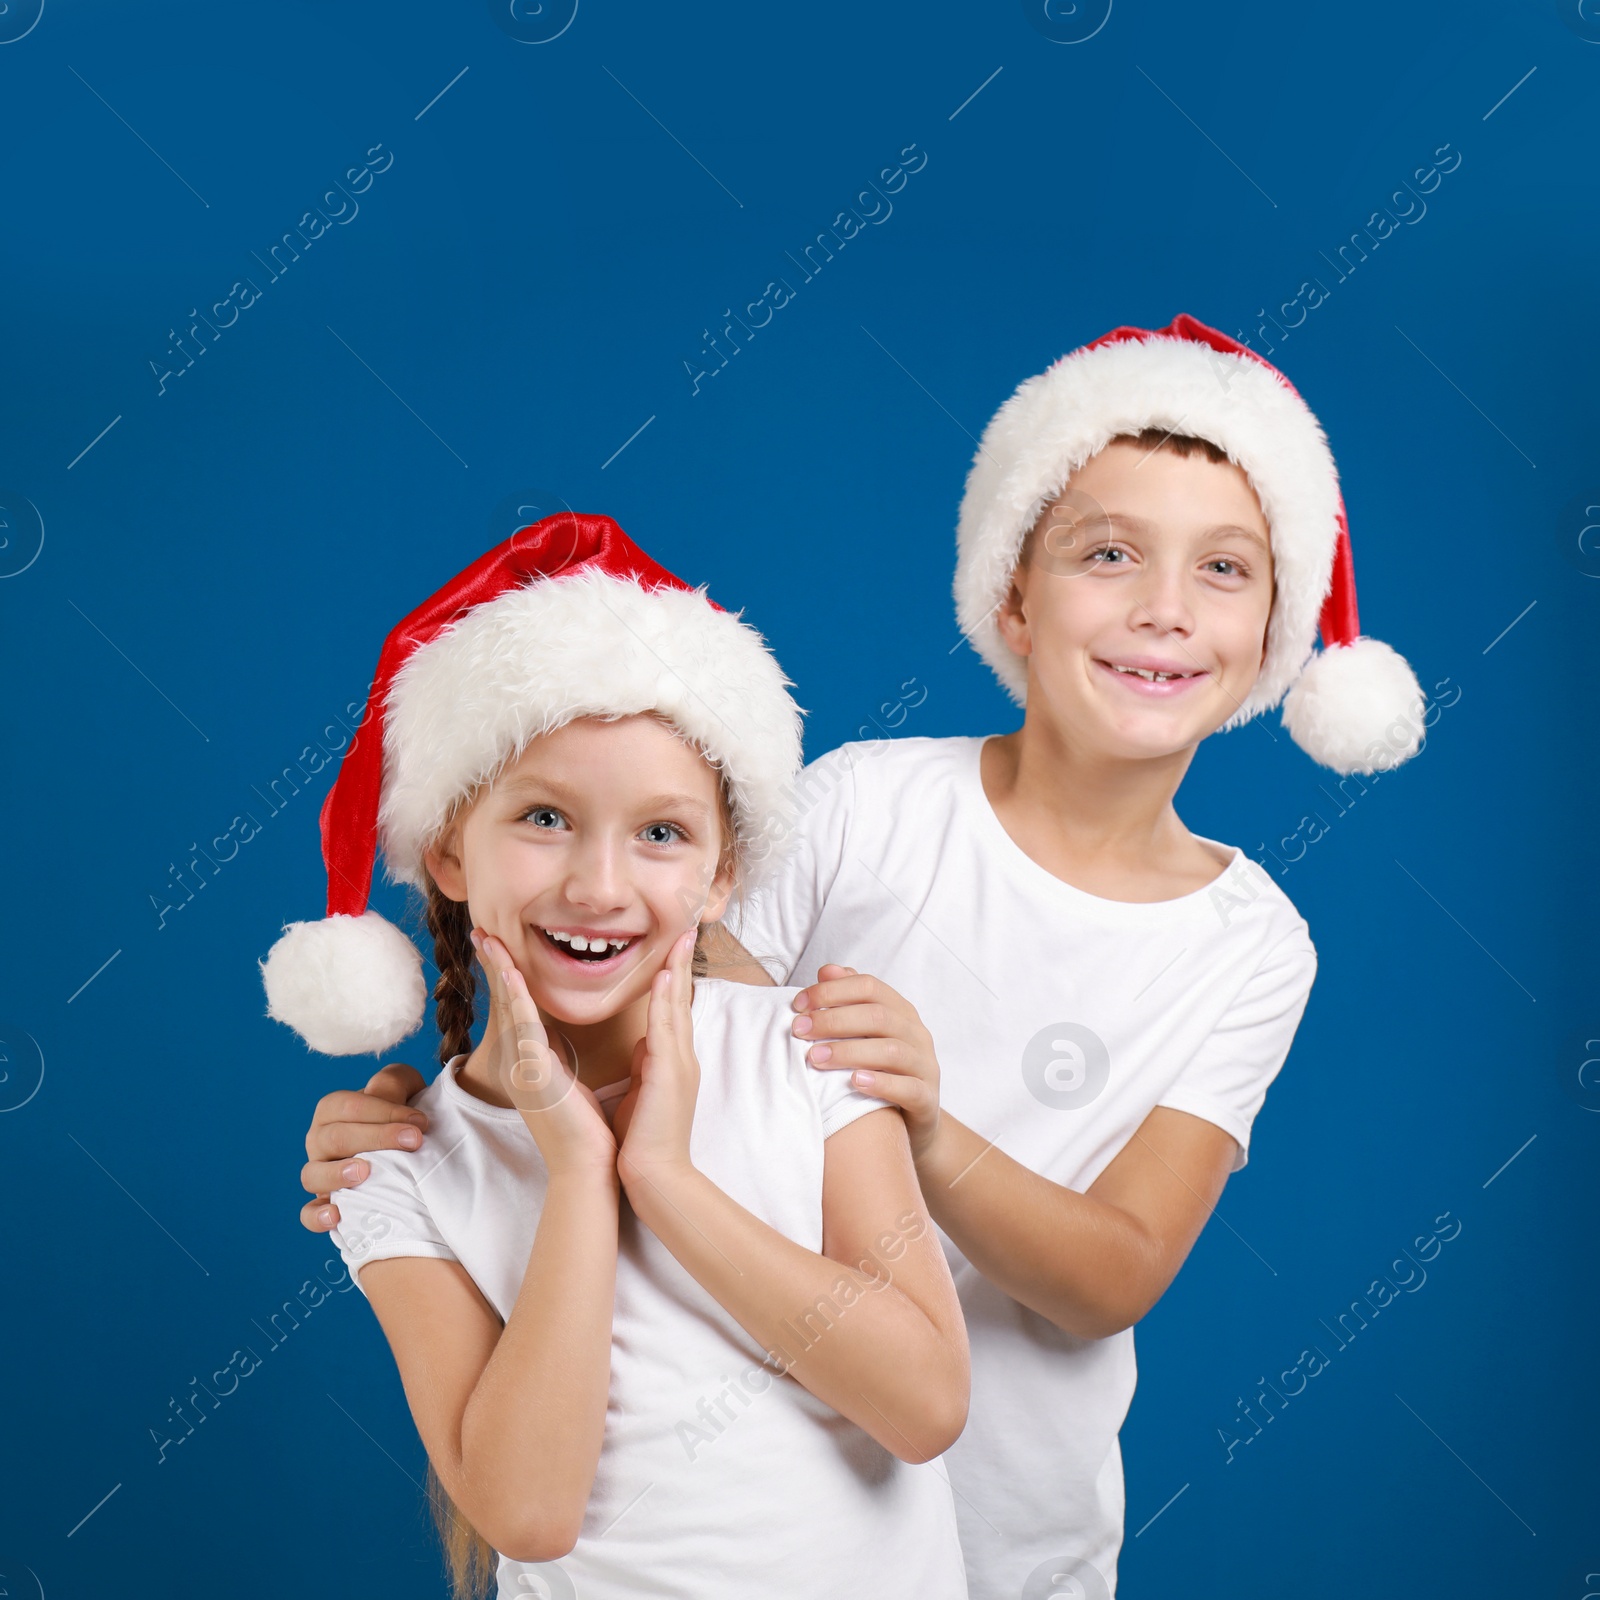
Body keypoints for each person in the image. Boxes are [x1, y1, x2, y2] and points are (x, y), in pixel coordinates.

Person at [296, 316, 1426, 1598]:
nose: (1162, 607)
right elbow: (630, 976)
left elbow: (1113, 1271)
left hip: (1006, 1511)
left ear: (1281, 628)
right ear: (1012, 587)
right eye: (1108, 553)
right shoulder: (863, 804)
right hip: (720, 1458)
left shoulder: (1251, 942)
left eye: (1223, 568)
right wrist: (433, 1107)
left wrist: (921, 1121)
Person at [260, 516, 971, 1598]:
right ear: (449, 847)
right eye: (545, 816)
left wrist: (666, 1178)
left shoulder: (811, 1055)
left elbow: (923, 1407)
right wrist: (581, 1174)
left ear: (723, 873)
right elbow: (531, 1515)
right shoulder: (397, 1172)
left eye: (661, 833)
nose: (599, 884)